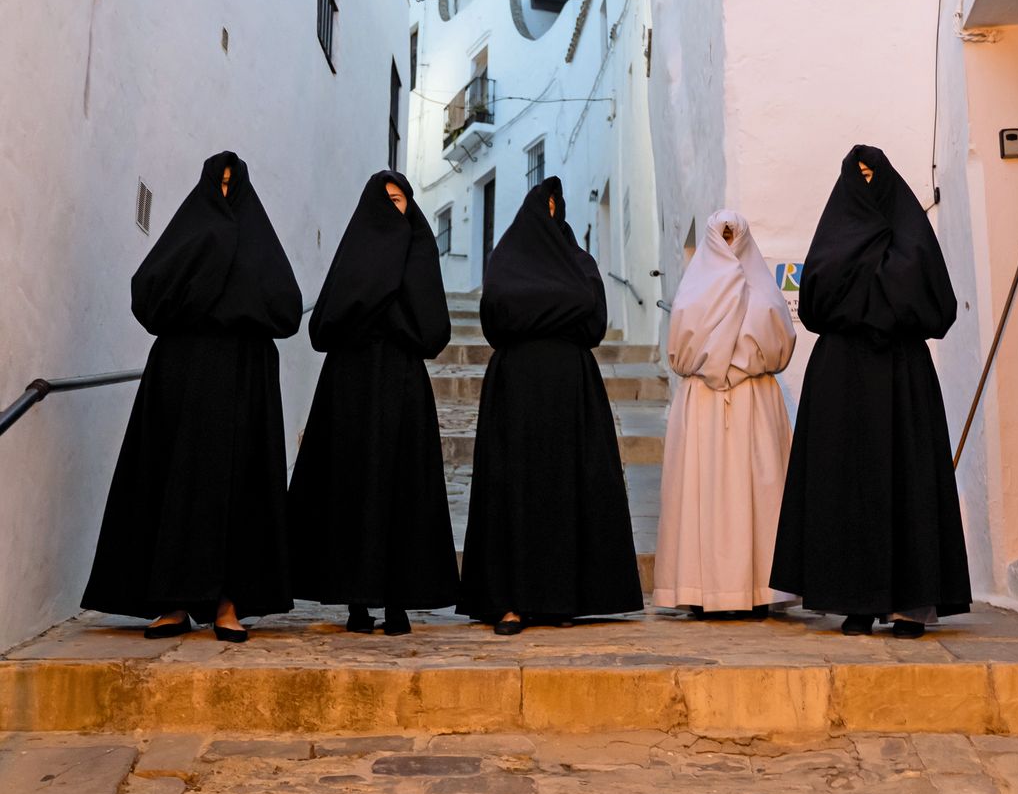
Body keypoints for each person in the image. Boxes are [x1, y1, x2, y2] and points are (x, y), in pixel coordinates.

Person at [82, 151, 302, 642]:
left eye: (231, 185)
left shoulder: (259, 241)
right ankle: (173, 602)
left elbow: (285, 308)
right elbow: (149, 294)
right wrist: (212, 260)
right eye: (217, 184)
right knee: (174, 482)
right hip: (183, 373)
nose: (224, 193)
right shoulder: (189, 234)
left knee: (239, 485)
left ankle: (228, 603)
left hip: (244, 374)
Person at [769, 145, 972, 638]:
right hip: (842, 378)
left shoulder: (913, 237)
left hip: (902, 375)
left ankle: (909, 605)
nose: (865, 183)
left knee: (907, 481)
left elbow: (935, 303)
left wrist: (868, 297)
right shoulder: (832, 238)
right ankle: (853, 601)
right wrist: (881, 292)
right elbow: (815, 301)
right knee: (845, 484)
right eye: (856, 175)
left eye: (872, 175)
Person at [458, 176, 643, 635]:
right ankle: (509, 603)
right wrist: (563, 311)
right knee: (513, 488)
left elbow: (594, 320)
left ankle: (561, 598)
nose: (553, 214)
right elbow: (498, 316)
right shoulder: (505, 260)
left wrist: (536, 315)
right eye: (547, 206)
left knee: (566, 487)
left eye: (558, 206)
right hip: (517, 390)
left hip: (570, 389)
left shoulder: (580, 261)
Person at [288, 170, 457, 635]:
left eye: (400, 200)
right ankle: (356, 603)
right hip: (352, 384)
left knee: (403, 486)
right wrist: (382, 311)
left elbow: (432, 326)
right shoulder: (355, 251)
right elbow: (326, 321)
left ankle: (399, 602)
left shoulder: (420, 250)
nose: (393, 208)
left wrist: (376, 313)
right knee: (351, 484)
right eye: (386, 200)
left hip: (402, 381)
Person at [653, 210, 797, 619]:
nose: (730, 243)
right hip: (707, 402)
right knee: (705, 494)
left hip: (752, 402)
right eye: (723, 236)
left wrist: (729, 365)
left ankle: (759, 588)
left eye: (735, 235)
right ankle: (701, 589)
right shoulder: (693, 291)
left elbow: (779, 339)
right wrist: (725, 365)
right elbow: (682, 345)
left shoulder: (764, 289)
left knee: (758, 494)